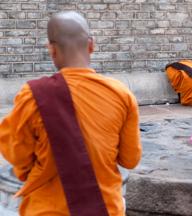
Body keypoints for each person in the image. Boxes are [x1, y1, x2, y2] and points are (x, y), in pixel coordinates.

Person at [0, 11, 141, 216]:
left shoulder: (33, 95)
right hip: (104, 208)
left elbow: (17, 155)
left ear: (52, 50)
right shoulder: (120, 94)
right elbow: (130, 159)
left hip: (47, 209)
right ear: (91, 45)